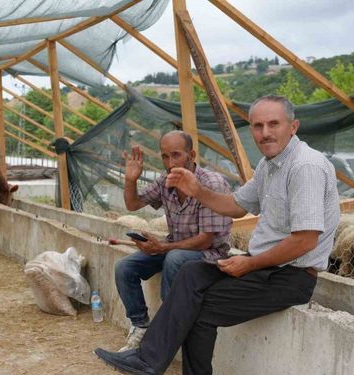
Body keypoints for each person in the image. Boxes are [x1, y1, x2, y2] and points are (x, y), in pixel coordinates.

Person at [94, 95, 340, 375]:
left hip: (290, 277)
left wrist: (249, 263)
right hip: (264, 266)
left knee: (197, 308)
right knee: (190, 273)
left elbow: (305, 240)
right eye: (258, 126)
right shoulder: (269, 164)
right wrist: (197, 190)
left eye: (274, 124)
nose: (265, 133)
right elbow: (235, 206)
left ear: (293, 126)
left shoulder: (304, 166)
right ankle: (146, 360)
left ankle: (148, 361)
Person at [115, 130, 232, 352]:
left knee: (175, 259)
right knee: (125, 268)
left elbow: (206, 241)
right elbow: (133, 205)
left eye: (176, 155)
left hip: (211, 255)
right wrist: (131, 180)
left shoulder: (211, 183)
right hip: (174, 248)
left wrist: (163, 247)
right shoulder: (165, 181)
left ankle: (168, 332)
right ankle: (140, 325)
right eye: (165, 157)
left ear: (192, 154)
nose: (170, 163)